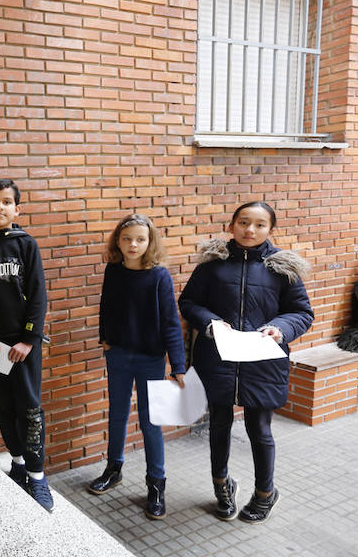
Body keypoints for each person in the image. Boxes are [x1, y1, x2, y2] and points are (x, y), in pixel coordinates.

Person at [179, 201, 313, 524]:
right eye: (243, 222)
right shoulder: (212, 264)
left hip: (262, 363)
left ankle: (265, 493)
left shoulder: (283, 268)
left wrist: (280, 328)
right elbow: (188, 301)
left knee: (259, 429)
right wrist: (210, 322)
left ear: (270, 229)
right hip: (218, 360)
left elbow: (303, 313)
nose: (250, 230)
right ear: (232, 225)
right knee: (219, 427)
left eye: (259, 224)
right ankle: (222, 487)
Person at [87, 214, 186, 520]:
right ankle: (113, 469)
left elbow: (171, 322)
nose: (133, 245)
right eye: (127, 238)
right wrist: (105, 336)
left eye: (140, 239)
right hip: (117, 355)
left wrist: (178, 364)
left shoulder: (159, 276)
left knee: (150, 422)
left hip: (150, 359)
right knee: (117, 415)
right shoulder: (113, 270)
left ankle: (156, 484)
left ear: (150, 242)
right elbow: (106, 305)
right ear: (118, 240)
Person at [0, 179, 51, 510]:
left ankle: (38, 476)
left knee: (28, 407)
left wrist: (29, 340)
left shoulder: (26, 244)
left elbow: (39, 294)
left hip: (22, 346)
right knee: (2, 403)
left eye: (5, 202)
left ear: (17, 208)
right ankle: (17, 463)